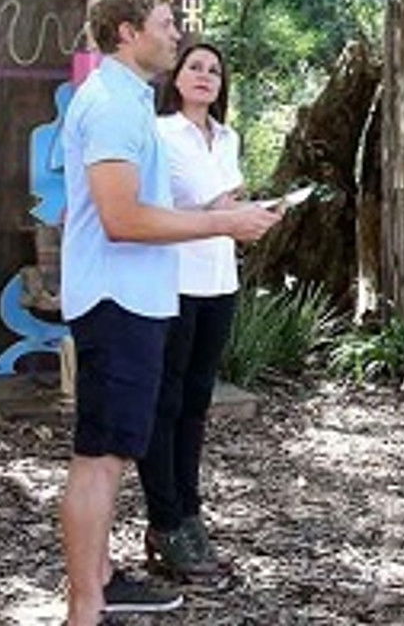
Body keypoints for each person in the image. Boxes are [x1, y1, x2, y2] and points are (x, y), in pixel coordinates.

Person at [58, 0, 280, 626]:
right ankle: (85, 609)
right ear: (128, 32)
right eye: (165, 23)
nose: (176, 34)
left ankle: (102, 579)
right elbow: (122, 218)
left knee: (111, 452)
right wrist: (224, 224)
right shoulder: (113, 105)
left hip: (135, 302)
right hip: (117, 302)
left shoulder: (127, 98)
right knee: (99, 460)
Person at [136, 42, 245, 580]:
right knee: (167, 400)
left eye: (214, 71)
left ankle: (189, 511)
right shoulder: (158, 134)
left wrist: (250, 211)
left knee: (197, 401)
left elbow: (229, 203)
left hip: (220, 280)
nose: (205, 76)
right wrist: (216, 211)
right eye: (195, 67)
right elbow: (150, 209)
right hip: (173, 281)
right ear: (176, 78)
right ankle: (163, 520)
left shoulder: (228, 138)